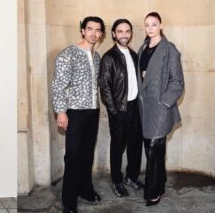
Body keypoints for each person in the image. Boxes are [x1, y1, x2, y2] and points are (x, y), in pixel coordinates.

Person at [51, 16, 105, 213]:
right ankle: (69, 201)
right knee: (73, 156)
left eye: (98, 30)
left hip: (93, 111)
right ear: (82, 30)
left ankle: (85, 189)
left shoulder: (97, 57)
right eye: (89, 29)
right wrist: (61, 112)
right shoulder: (67, 54)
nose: (93, 33)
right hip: (74, 112)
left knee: (87, 154)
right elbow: (58, 86)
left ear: (101, 34)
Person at [137, 12, 184, 206]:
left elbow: (178, 81)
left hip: (160, 108)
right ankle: (161, 182)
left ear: (161, 26)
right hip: (144, 108)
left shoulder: (169, 49)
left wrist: (164, 103)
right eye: (147, 25)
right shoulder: (142, 48)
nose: (150, 28)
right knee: (151, 149)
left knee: (154, 150)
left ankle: (153, 192)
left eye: (154, 24)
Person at [99, 19, 144, 197]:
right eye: (120, 31)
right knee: (117, 147)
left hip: (135, 108)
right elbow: (105, 87)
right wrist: (114, 111)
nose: (124, 34)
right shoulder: (109, 57)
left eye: (127, 31)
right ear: (113, 34)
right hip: (119, 110)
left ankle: (131, 177)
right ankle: (117, 181)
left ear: (131, 33)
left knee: (135, 146)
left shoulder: (134, 55)